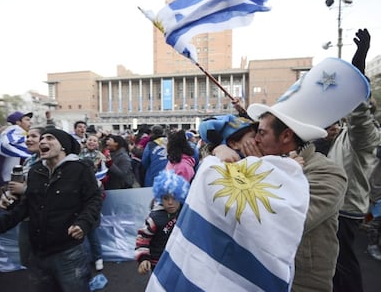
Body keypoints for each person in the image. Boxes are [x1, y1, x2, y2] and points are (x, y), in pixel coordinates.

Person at [247, 55, 371, 291]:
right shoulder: (264, 160)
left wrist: (261, 170)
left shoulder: (328, 174)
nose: (255, 140)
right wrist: (219, 147)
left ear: (286, 137)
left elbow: (280, 222)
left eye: (261, 133)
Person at [146, 114, 311, 291]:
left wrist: (280, 172)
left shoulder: (294, 167)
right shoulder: (219, 168)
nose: (257, 140)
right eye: (253, 136)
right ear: (233, 144)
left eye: (261, 134)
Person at [0, 128, 103, 292]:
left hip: (68, 253)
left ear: (63, 146)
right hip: (38, 253)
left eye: (50, 138)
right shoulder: (35, 171)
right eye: (42, 138)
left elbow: (93, 199)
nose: (43, 142)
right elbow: (26, 207)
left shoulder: (79, 169)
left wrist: (83, 223)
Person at [317, 29, 380, 292]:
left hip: (347, 207)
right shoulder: (343, 135)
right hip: (338, 205)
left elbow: (359, 115)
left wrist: (358, 72)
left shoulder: (365, 135)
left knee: (345, 265)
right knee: (336, 263)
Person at [0, 126, 45, 267]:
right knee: (27, 259)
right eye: (27, 136)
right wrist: (8, 196)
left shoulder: (52, 162)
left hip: (44, 219)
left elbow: (56, 190)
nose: (29, 140)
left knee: (46, 262)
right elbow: (17, 186)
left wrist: (25, 189)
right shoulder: (28, 161)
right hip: (25, 216)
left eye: (33, 136)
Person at [135, 170, 190, 275]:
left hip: (179, 259)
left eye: (174, 198)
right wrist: (144, 258)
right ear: (160, 197)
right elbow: (142, 239)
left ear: (180, 196)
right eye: (166, 198)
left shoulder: (184, 211)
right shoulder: (154, 218)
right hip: (158, 262)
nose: (170, 202)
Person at [79, 133, 107, 271]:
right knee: (79, 237)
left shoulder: (101, 157)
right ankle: (82, 261)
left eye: (94, 140)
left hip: (92, 205)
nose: (91, 142)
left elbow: (105, 175)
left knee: (92, 234)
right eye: (89, 139)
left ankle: (98, 258)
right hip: (78, 206)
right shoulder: (77, 153)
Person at [0, 111, 33, 184]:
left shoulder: (22, 133)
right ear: (18, 122)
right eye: (27, 120)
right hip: (10, 177)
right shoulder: (13, 131)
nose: (30, 122)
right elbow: (7, 144)